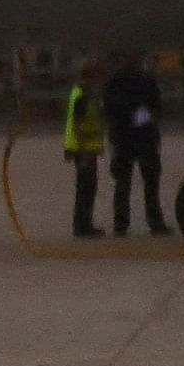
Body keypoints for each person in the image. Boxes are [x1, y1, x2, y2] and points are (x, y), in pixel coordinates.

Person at [100, 55, 170, 236]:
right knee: (127, 184)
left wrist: (136, 119)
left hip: (136, 138)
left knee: (145, 183)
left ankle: (141, 222)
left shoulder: (123, 83)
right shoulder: (119, 83)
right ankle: (126, 223)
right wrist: (139, 118)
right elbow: (112, 111)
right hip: (131, 138)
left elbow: (156, 109)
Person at [61, 62, 107, 238]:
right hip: (84, 151)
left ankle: (83, 225)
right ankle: (83, 227)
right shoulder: (82, 96)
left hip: (86, 150)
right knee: (86, 189)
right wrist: (84, 152)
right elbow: (79, 126)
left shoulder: (80, 94)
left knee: (86, 189)